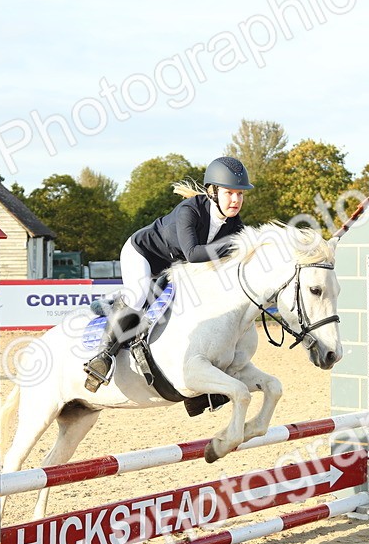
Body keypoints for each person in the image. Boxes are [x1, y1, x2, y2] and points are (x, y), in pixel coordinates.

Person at [83, 156, 252, 391]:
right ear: (212, 192)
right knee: (139, 295)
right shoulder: (189, 211)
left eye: (240, 194)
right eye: (229, 193)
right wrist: (237, 245)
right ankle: (102, 357)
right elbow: (193, 253)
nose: (236, 200)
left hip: (173, 268)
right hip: (142, 254)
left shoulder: (234, 224)